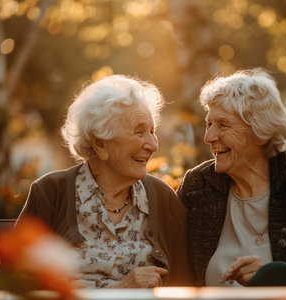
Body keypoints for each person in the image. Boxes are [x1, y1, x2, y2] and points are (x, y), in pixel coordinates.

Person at [177, 68, 286, 287]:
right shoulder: (198, 185)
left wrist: (272, 274)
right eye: (209, 124)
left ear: (260, 130)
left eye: (223, 125)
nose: (208, 137)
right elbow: (174, 268)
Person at [17, 75, 194, 288]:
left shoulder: (163, 199)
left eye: (152, 132)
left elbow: (185, 287)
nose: (153, 145)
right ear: (100, 143)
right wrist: (122, 290)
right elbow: (15, 282)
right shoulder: (50, 194)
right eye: (139, 132)